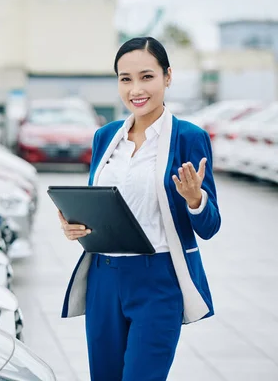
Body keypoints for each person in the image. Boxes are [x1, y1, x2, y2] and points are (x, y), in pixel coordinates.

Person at [58, 36, 221, 381]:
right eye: (125, 78)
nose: (136, 89)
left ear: (167, 77)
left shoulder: (188, 138)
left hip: (158, 281)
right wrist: (76, 226)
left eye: (147, 77)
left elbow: (209, 225)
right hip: (104, 279)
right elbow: (100, 206)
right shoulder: (106, 136)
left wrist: (195, 200)